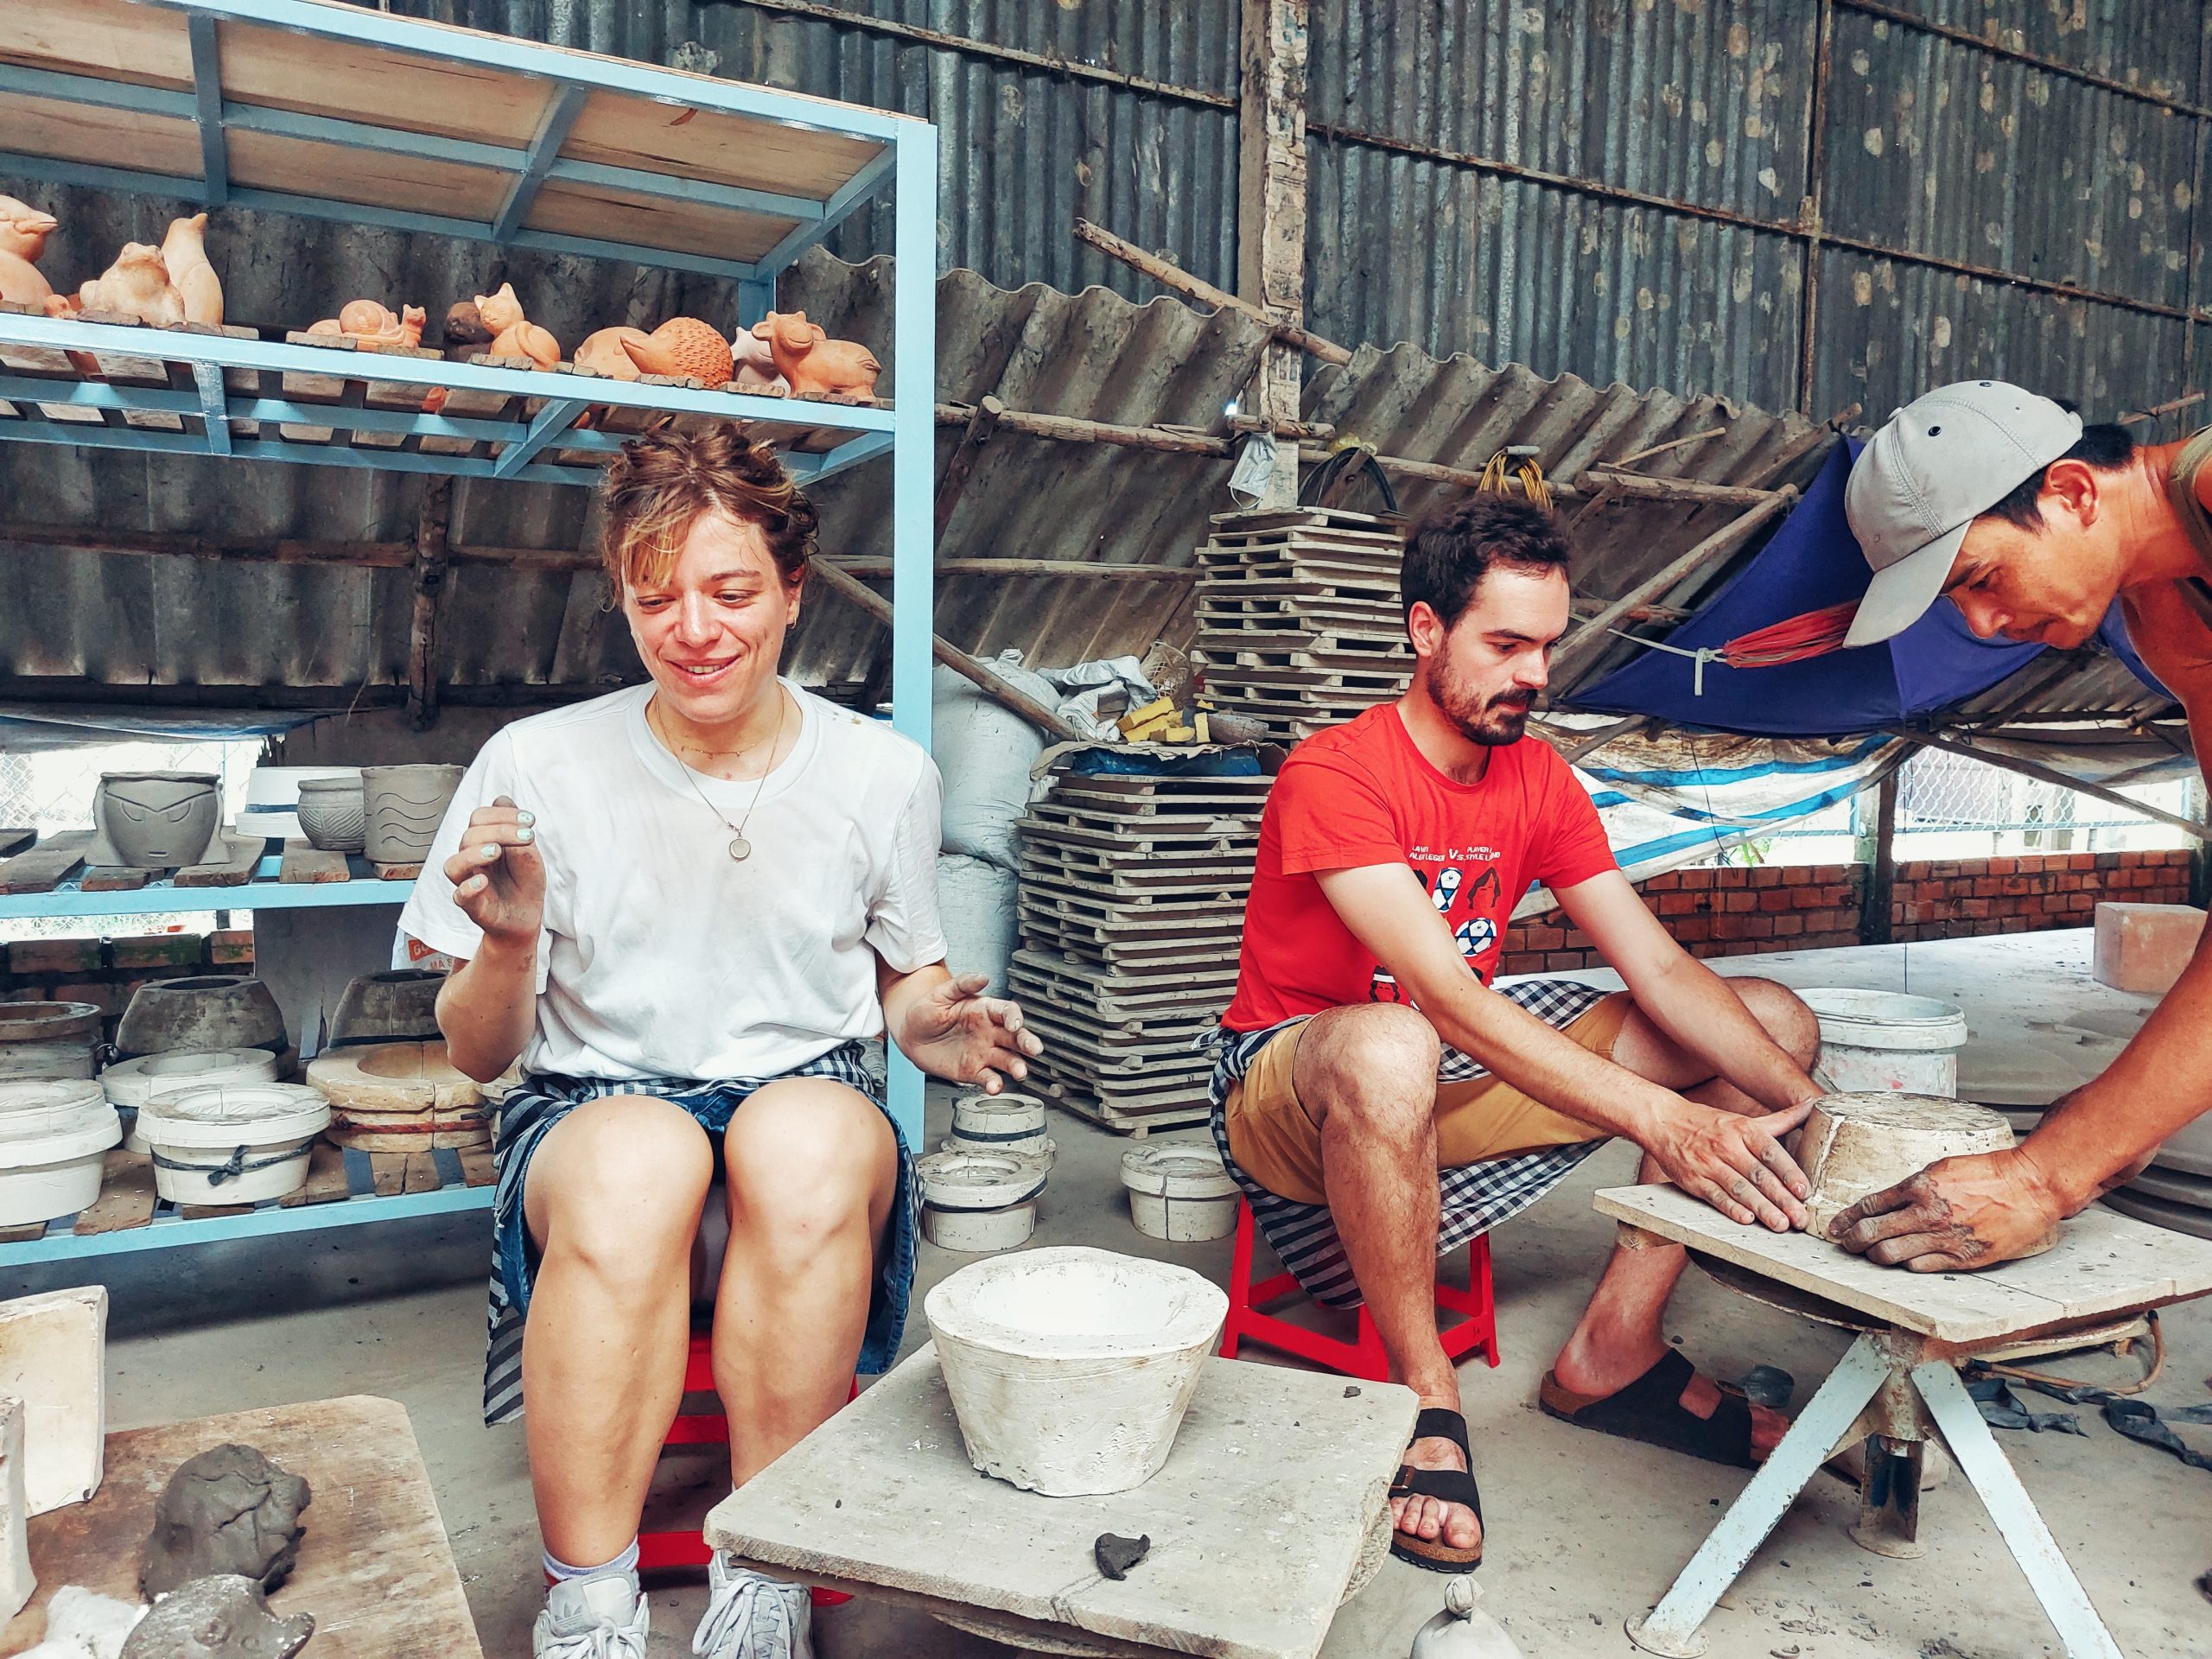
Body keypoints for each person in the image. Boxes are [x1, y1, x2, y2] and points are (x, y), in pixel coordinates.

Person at [397, 427, 1040, 1659]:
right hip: (593, 1114)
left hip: (806, 1103)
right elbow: (479, 1056)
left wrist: (935, 1022)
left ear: (794, 593)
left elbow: (907, 986)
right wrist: (513, 946)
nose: (693, 627)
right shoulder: (537, 766)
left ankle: (766, 1575)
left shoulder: (881, 773)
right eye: (657, 596)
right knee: (642, 1157)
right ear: (624, 600)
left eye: (731, 591)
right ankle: (588, 1600)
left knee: (798, 1140)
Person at [1209, 494, 1826, 1573]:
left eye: (1546, 646)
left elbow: (1658, 966)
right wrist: (1662, 1121)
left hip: (1439, 1070)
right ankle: (1427, 1401)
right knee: (1394, 1042)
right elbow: (1440, 996)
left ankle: (1612, 1349)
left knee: (1767, 1023)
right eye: (1503, 644)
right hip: (1294, 1085)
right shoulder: (1335, 773)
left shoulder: (1538, 774)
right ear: (1424, 631)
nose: (1533, 675)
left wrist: (1821, 1112)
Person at [1829, 379, 2212, 1272]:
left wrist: (2053, 1171)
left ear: (2072, 493)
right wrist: (2135, 1104)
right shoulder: (2164, 619)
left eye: (1982, 579)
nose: (1984, 623)